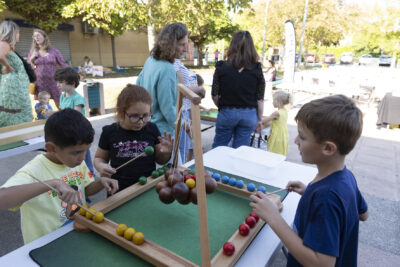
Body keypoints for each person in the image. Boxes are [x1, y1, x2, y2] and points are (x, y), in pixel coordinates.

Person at [250, 95, 368, 266]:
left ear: (328, 148)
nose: (296, 141)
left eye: (303, 137)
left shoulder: (326, 197)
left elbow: (322, 263)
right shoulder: (346, 177)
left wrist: (273, 217)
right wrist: (308, 193)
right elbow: (363, 213)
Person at [0, 109, 118, 244]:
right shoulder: (34, 170)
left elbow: (84, 190)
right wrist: (54, 183)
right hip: (45, 244)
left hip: (75, 232)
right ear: (51, 148)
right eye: (77, 152)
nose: (83, 156)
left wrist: (100, 182)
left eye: (86, 150)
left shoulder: (75, 162)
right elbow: (2, 198)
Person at [94, 84, 173, 192]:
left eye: (146, 115)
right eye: (134, 116)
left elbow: (160, 161)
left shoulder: (152, 128)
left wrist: (166, 153)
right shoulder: (109, 132)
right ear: (121, 112)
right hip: (119, 189)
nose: (141, 121)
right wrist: (101, 166)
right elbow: (99, 158)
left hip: (147, 186)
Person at [211, 30, 265, 149]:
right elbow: (260, 99)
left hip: (227, 112)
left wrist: (223, 105)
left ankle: (214, 168)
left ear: (232, 45)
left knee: (219, 149)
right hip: (249, 115)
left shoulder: (221, 67)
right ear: (251, 48)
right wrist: (260, 119)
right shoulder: (257, 69)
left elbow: (214, 94)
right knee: (240, 150)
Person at [136, 22, 188, 137]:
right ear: (172, 45)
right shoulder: (167, 69)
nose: (185, 49)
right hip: (162, 134)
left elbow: (138, 84)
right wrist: (186, 127)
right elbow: (168, 110)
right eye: (182, 45)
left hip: (147, 126)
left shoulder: (150, 60)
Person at [50, 67, 95, 176]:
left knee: (84, 157)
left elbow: (76, 117)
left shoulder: (77, 99)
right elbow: (61, 112)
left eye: (61, 82)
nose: (58, 85)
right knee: (73, 157)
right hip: (68, 132)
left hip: (80, 133)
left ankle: (91, 176)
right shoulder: (62, 96)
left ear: (72, 83)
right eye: (57, 82)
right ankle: (78, 176)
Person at [0, 20, 33, 127]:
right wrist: (8, 66)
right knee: (12, 116)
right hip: (12, 89)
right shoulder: (4, 43)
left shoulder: (9, 46)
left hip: (17, 88)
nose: (19, 35)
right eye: (18, 32)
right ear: (12, 32)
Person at [174, 57, 205, 163]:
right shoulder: (172, 62)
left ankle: (183, 168)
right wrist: (200, 89)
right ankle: (181, 171)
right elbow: (182, 88)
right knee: (182, 148)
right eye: (182, 45)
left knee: (185, 147)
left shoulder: (177, 62)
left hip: (184, 110)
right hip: (181, 111)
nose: (184, 49)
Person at [29, 29, 68, 109]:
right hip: (40, 83)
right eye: (34, 36)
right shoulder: (32, 52)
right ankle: (46, 121)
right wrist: (31, 59)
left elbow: (63, 64)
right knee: (43, 107)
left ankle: (65, 119)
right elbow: (29, 68)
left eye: (38, 35)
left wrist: (73, 74)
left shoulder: (54, 51)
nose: (36, 37)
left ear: (44, 37)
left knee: (60, 105)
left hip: (54, 82)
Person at [260, 91, 291, 155]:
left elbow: (264, 121)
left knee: (273, 151)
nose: (272, 102)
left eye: (274, 100)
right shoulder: (285, 111)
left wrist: (258, 118)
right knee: (279, 151)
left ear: (279, 102)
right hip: (283, 134)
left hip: (276, 135)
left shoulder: (277, 113)